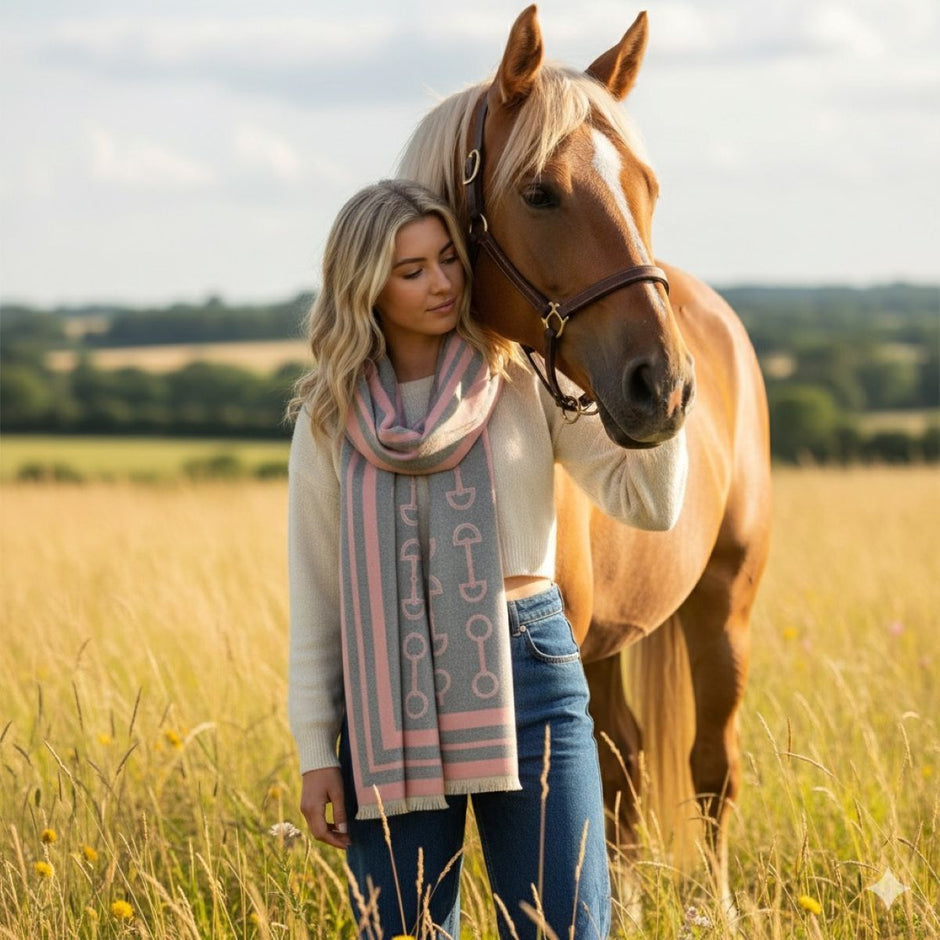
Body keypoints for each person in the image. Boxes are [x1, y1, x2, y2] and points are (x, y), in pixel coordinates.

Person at [286, 179, 688, 940]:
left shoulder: (519, 374)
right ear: (365, 286)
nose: (441, 282)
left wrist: (668, 399)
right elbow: (318, 596)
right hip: (387, 691)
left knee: (562, 924)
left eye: (448, 259)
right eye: (412, 271)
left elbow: (649, 504)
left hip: (529, 661)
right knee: (403, 929)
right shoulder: (330, 415)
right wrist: (315, 752)